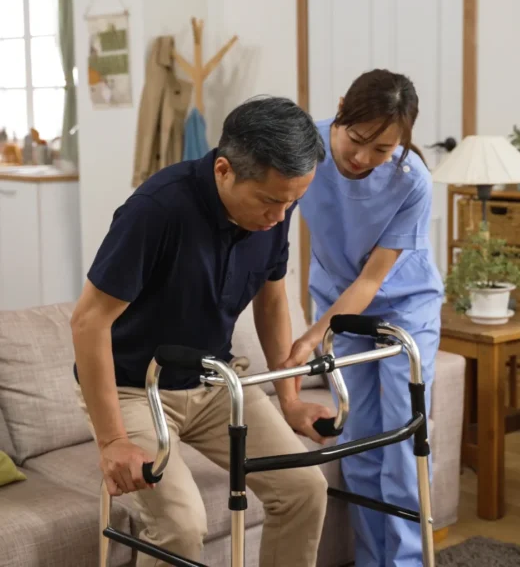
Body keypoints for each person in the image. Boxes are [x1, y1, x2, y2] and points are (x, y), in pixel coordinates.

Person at [70, 96, 333, 567]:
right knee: (181, 524)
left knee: (304, 488)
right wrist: (112, 441)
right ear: (224, 170)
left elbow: (272, 299)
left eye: (294, 201)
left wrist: (289, 399)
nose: (280, 215)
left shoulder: (278, 201)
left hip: (215, 380)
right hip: (135, 389)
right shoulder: (156, 210)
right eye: (272, 201)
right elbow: (89, 321)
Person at [283, 69, 445, 566]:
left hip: (404, 308)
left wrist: (313, 335)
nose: (364, 158)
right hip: (336, 301)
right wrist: (321, 327)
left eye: (383, 150)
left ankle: (407, 563)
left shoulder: (411, 178)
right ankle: (373, 561)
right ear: (340, 111)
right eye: (357, 140)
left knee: (401, 443)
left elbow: (373, 280)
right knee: (356, 440)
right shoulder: (300, 147)